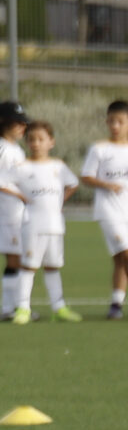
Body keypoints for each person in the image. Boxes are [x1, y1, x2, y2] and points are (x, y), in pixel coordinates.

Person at [80, 99, 128, 319]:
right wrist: (106, 185)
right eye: (111, 121)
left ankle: (116, 305)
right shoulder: (99, 149)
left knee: (122, 258)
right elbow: (86, 176)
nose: (115, 126)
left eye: (120, 121)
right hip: (108, 210)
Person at [6, 121, 81, 323]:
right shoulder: (22, 167)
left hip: (55, 225)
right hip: (33, 225)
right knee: (29, 266)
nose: (36, 143)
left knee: (52, 266)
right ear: (27, 143)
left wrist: (60, 201)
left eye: (41, 139)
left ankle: (59, 307)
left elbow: (73, 183)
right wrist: (21, 196)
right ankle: (23, 308)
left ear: (51, 142)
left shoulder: (58, 166)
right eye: (32, 139)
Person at [0, 100, 26, 321]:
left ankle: (15, 306)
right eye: (16, 122)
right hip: (6, 212)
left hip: (17, 212)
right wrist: (22, 195)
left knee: (18, 258)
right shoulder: (3, 149)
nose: (21, 127)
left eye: (23, 122)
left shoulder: (16, 148)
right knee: (14, 258)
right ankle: (10, 307)